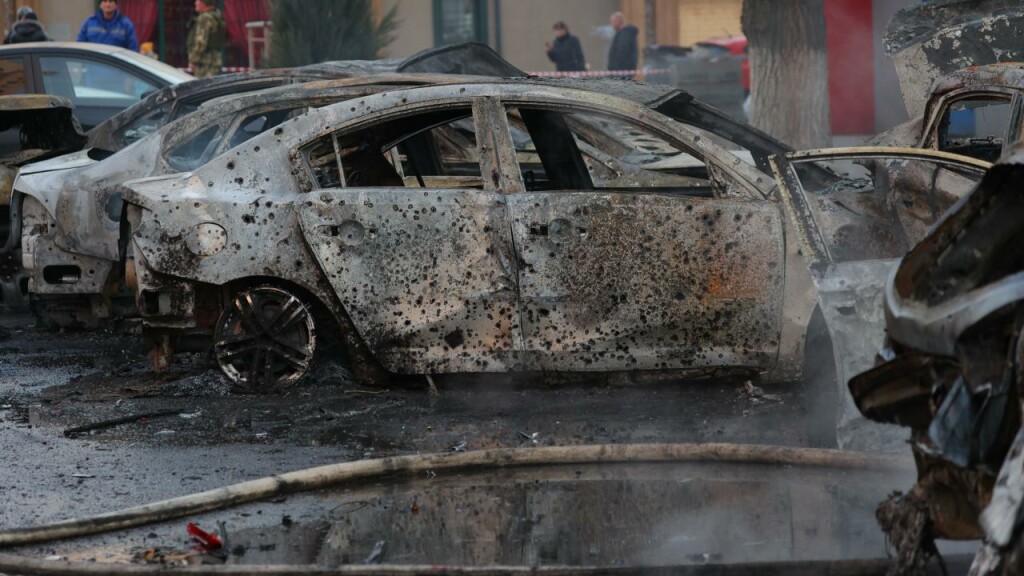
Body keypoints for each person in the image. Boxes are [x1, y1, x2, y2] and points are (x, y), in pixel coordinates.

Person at [187, 0, 226, 79]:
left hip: (204, 64)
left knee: (203, 85)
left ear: (205, 3)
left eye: (198, 1)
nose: (195, 3)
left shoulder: (205, 18)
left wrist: (193, 60)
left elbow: (201, 42)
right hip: (214, 61)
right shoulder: (216, 15)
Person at [607, 12, 638, 79]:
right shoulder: (621, 34)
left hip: (621, 71)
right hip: (621, 71)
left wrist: (615, 68)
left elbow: (622, 51)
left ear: (618, 21)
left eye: (612, 22)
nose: (612, 24)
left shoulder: (625, 34)